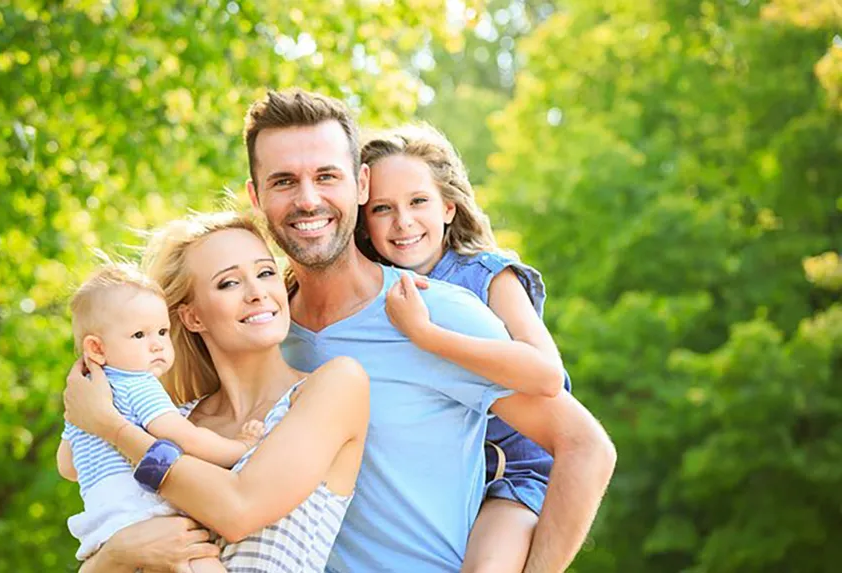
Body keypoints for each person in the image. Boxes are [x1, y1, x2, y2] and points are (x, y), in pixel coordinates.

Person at [66, 89, 616, 573]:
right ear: (257, 198)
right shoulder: (255, 330)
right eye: (284, 181)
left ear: (361, 183)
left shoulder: (431, 314)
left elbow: (585, 448)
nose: (307, 199)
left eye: (326, 175)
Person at [63, 214, 370, 572]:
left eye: (266, 272)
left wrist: (111, 428)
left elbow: (239, 511)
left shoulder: (334, 386)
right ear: (193, 318)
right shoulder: (174, 419)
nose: (257, 292)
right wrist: (116, 554)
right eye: (228, 283)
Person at [356, 123, 572, 572]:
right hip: (435, 487)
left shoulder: (488, 276)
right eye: (382, 208)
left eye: (419, 202)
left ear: (449, 208)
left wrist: (428, 336)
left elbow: (548, 375)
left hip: (508, 475)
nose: (403, 222)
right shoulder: (366, 292)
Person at [58, 263, 266, 571]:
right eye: (139, 334)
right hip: (142, 508)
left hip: (101, 524)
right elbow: (184, 437)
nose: (156, 343)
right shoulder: (138, 384)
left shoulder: (83, 401)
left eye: (162, 331)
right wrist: (242, 446)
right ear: (97, 349)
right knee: (204, 563)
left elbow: (67, 467)